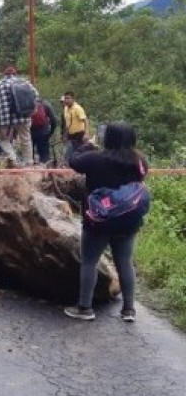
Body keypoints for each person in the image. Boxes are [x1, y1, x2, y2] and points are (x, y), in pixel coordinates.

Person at [64, 122, 149, 323]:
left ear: (107, 138)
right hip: (127, 221)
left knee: (90, 262)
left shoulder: (95, 158)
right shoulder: (140, 160)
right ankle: (128, 310)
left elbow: (72, 161)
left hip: (98, 220)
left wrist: (87, 145)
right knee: (125, 263)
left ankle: (85, 307)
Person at [0, 66, 37, 166]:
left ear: (5, 75)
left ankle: (13, 159)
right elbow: (36, 95)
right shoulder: (24, 83)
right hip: (23, 115)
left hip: (4, 118)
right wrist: (31, 110)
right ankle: (29, 162)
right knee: (26, 138)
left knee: (3, 139)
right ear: (15, 74)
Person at [62, 91, 90, 161]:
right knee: (70, 154)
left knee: (77, 153)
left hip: (79, 134)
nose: (66, 100)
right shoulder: (66, 109)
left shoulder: (77, 108)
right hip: (71, 135)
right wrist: (65, 134)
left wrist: (86, 134)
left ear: (73, 99)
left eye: (68, 98)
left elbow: (85, 120)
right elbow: (67, 122)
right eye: (65, 98)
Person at [30, 97, 57, 165]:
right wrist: (51, 132)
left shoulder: (28, 104)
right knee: (44, 156)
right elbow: (53, 120)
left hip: (30, 132)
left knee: (29, 155)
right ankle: (46, 170)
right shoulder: (46, 105)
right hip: (43, 132)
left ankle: (31, 171)